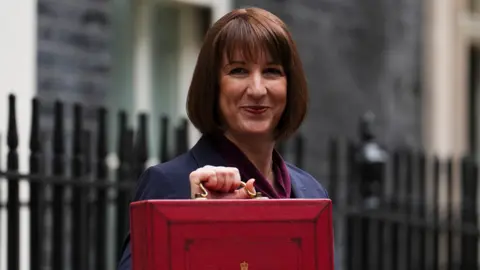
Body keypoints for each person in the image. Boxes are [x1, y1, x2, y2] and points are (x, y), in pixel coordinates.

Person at [117, 6, 329, 270]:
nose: (257, 89)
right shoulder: (168, 184)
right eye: (238, 71)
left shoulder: (312, 191)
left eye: (272, 71)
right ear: (213, 86)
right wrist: (202, 224)